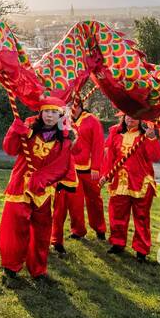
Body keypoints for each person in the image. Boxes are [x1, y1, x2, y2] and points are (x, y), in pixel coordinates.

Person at [1, 97, 77, 280]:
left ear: (60, 115)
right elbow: (10, 150)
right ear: (40, 112)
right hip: (20, 185)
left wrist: (41, 178)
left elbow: (61, 166)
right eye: (46, 111)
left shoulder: (65, 139)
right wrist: (14, 131)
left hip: (43, 190)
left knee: (42, 231)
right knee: (14, 226)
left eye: (54, 112)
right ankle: (11, 265)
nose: (49, 116)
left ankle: (38, 268)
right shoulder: (28, 128)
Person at [105, 115, 160, 261]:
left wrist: (152, 139)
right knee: (117, 214)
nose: (131, 118)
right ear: (123, 117)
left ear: (141, 119)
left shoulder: (145, 136)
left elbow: (156, 157)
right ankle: (117, 243)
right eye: (128, 115)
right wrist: (106, 175)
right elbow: (109, 157)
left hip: (141, 182)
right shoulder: (116, 134)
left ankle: (141, 250)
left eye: (135, 116)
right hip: (120, 182)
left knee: (142, 217)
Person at [66, 96, 107, 242]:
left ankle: (99, 229)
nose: (70, 108)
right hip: (72, 168)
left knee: (94, 201)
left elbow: (98, 145)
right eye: (68, 105)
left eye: (73, 105)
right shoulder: (66, 122)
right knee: (75, 202)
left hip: (90, 169)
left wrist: (96, 166)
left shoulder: (92, 120)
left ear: (79, 106)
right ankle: (78, 230)